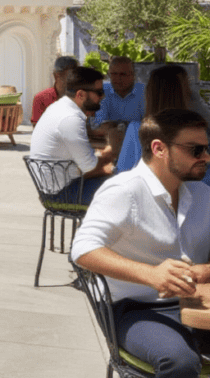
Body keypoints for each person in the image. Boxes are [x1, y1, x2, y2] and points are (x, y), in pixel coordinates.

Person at [72, 109, 210, 378]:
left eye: (206, 148)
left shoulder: (201, 193)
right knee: (180, 362)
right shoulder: (125, 191)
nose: (206, 157)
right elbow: (82, 249)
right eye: (196, 149)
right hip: (133, 308)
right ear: (159, 148)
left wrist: (206, 270)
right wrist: (151, 274)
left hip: (195, 302)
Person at [29, 66, 116, 204]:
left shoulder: (59, 108)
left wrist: (104, 158)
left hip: (56, 188)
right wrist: (113, 151)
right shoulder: (71, 118)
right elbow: (90, 167)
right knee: (124, 187)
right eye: (99, 92)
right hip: (62, 193)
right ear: (80, 95)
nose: (102, 97)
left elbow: (85, 163)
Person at [117, 65, 191, 174]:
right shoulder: (195, 133)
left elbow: (123, 173)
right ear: (183, 95)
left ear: (149, 94)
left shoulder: (136, 129)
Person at [91, 56, 146, 137]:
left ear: (133, 75)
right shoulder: (102, 90)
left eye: (123, 74)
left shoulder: (144, 92)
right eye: (114, 74)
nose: (118, 78)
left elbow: (148, 126)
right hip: (107, 142)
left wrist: (115, 126)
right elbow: (100, 125)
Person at [31, 55, 79, 125]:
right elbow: (37, 128)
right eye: (71, 75)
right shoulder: (41, 98)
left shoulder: (81, 96)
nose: (75, 78)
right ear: (57, 75)